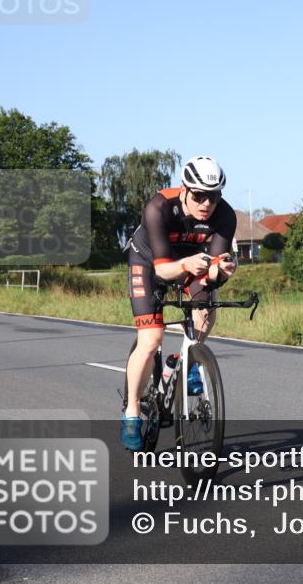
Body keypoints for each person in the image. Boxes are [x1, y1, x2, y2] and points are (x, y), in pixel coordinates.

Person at [121, 156, 237, 451]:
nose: (206, 204)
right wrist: (188, 264)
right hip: (149, 263)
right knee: (151, 340)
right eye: (198, 196)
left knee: (206, 308)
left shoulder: (225, 215)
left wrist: (220, 271)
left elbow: (213, 268)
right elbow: (162, 271)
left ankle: (190, 360)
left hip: (190, 262)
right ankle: (132, 411)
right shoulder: (159, 207)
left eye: (213, 197)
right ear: (184, 190)